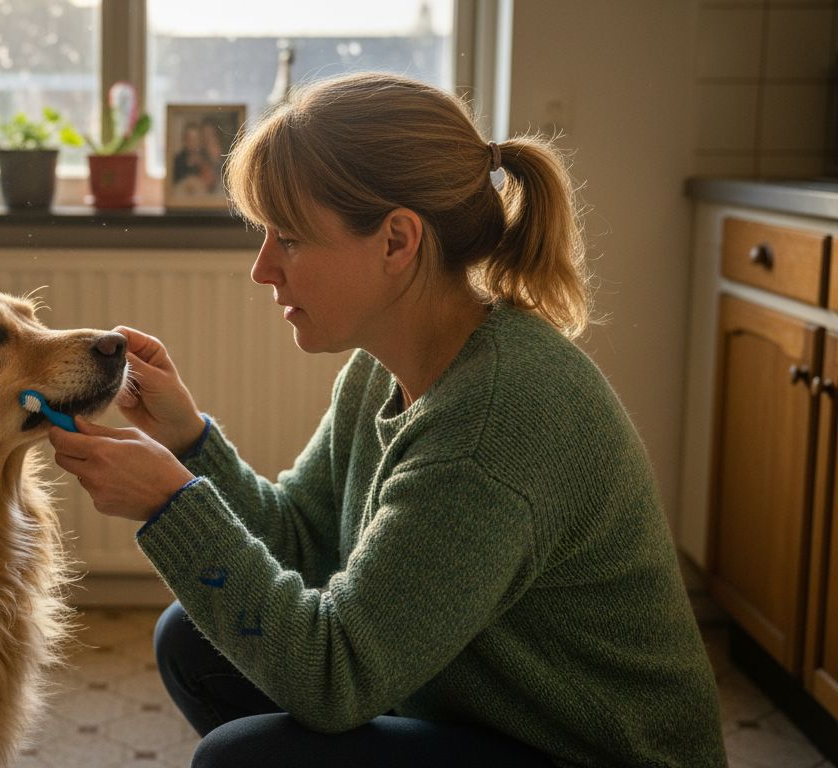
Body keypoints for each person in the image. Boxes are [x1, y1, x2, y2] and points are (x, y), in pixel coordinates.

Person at [47, 72, 726, 767]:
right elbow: (303, 540)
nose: (261, 270)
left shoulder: (494, 424)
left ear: (397, 241)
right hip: (486, 720)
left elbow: (334, 677)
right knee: (191, 642)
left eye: (288, 238)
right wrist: (187, 439)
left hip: (586, 755)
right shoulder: (385, 368)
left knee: (245, 758)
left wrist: (171, 505)